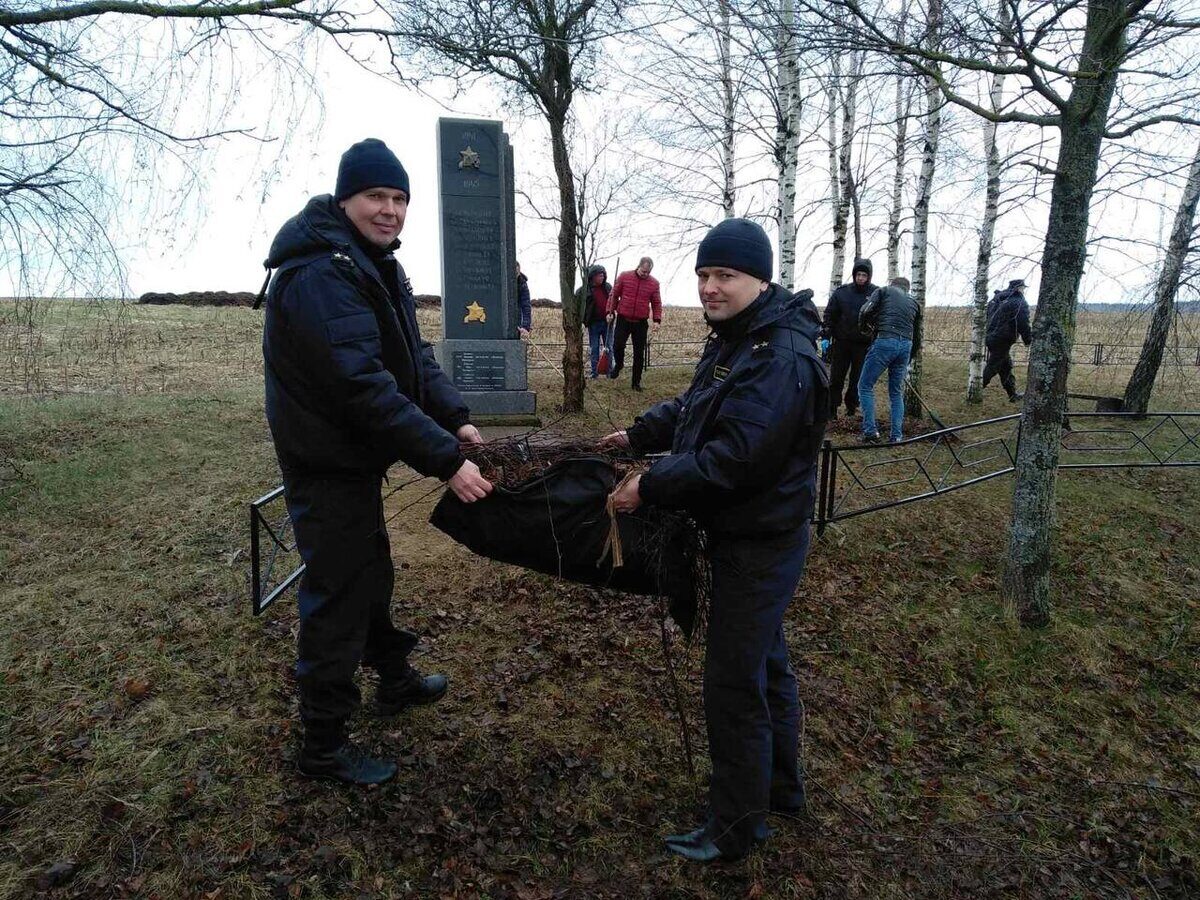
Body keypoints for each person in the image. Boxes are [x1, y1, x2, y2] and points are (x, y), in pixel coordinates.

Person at [261, 138, 493, 785]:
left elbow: (412, 360)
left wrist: (456, 418)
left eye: (399, 198)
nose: (389, 210)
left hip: (352, 461)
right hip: (325, 460)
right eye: (376, 197)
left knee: (370, 573)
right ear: (345, 200)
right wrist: (447, 460)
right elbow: (362, 385)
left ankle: (391, 679)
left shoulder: (372, 263)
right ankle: (324, 747)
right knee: (338, 593)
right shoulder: (318, 275)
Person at [600, 219, 829, 862]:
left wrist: (649, 485)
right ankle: (779, 787)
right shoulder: (739, 340)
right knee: (766, 664)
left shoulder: (779, 355)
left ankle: (735, 825)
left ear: (760, 279)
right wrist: (639, 435)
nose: (709, 287)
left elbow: (734, 458)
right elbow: (698, 405)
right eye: (703, 275)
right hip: (747, 534)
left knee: (732, 682)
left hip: (758, 542)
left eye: (724, 275)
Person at [857, 275, 922, 443]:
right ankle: (897, 436)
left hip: (885, 340)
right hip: (905, 346)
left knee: (865, 386)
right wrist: (907, 358)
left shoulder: (884, 291)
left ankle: (870, 431)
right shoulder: (915, 303)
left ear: (893, 285)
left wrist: (864, 328)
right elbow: (917, 337)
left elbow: (865, 310)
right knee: (895, 392)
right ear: (907, 289)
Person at [822, 257, 877, 418]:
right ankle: (832, 408)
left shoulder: (875, 294)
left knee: (857, 379)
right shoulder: (842, 293)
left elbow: (879, 318)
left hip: (863, 345)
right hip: (842, 343)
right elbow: (829, 315)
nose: (861, 278)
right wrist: (826, 336)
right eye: (858, 274)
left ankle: (851, 407)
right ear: (854, 275)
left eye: (864, 275)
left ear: (869, 277)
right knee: (836, 378)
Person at [605, 256, 662, 391]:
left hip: (641, 322)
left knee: (639, 354)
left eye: (648, 273)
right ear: (638, 267)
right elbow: (613, 295)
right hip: (623, 319)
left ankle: (636, 383)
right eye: (643, 272)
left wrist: (657, 320)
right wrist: (609, 312)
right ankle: (618, 365)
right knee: (617, 345)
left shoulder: (654, 283)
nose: (645, 275)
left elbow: (656, 303)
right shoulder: (624, 276)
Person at [983, 278, 1032, 401]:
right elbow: (1023, 322)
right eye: (1023, 288)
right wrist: (1028, 339)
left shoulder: (997, 299)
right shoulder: (1018, 301)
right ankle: (975, 389)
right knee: (993, 366)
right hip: (1003, 339)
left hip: (990, 336)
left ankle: (1012, 394)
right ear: (1020, 289)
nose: (1023, 291)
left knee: (1005, 366)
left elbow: (987, 316)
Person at [575, 264, 611, 378]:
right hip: (593, 324)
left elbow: (614, 301)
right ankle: (594, 372)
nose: (602, 277)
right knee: (594, 348)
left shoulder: (608, 288)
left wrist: (612, 313)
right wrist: (583, 320)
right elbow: (578, 306)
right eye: (599, 275)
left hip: (608, 323)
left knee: (608, 347)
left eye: (603, 275)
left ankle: (609, 372)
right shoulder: (583, 291)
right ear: (592, 276)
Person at [516, 261, 532, 338]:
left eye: (516, 273)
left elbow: (526, 306)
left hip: (516, 321)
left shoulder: (522, 283)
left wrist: (525, 327)